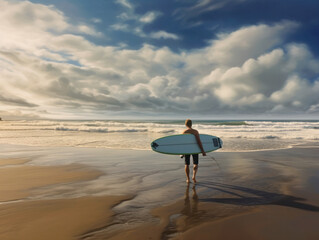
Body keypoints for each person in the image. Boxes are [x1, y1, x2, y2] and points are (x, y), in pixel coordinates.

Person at [182, 119, 206, 183]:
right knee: (195, 163)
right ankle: (194, 177)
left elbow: (182, 143)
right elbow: (199, 142)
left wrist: (182, 152)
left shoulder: (184, 132)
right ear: (191, 124)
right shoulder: (195, 131)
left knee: (187, 164)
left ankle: (188, 179)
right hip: (195, 149)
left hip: (187, 150)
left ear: (186, 124)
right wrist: (202, 151)